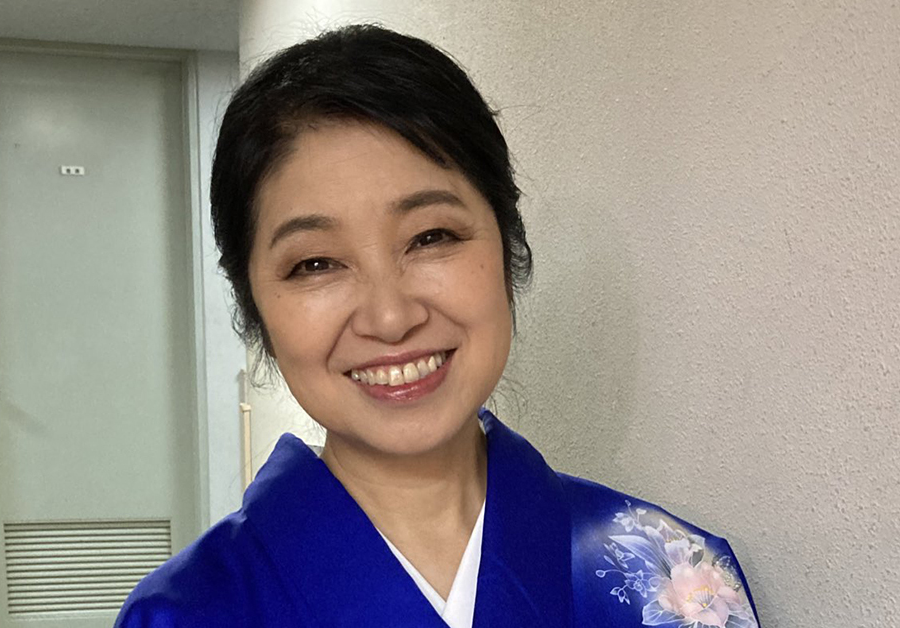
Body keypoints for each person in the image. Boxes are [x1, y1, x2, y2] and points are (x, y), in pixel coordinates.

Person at [116, 24, 760, 628]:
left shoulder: (677, 580)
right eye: (315, 263)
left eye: (431, 237)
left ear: (507, 246)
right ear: (253, 303)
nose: (391, 317)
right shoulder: (183, 613)